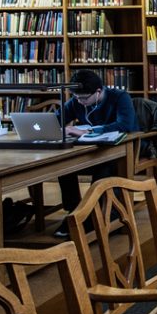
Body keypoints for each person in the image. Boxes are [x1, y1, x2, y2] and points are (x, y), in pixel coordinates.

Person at [54, 70, 138, 238]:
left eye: (84, 98)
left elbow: (125, 125)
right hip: (93, 150)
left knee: (104, 168)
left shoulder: (120, 97)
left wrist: (89, 130)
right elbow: (56, 119)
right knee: (64, 167)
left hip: (122, 149)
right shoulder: (78, 100)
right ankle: (75, 212)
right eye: (76, 97)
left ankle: (94, 213)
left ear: (98, 92)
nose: (80, 101)